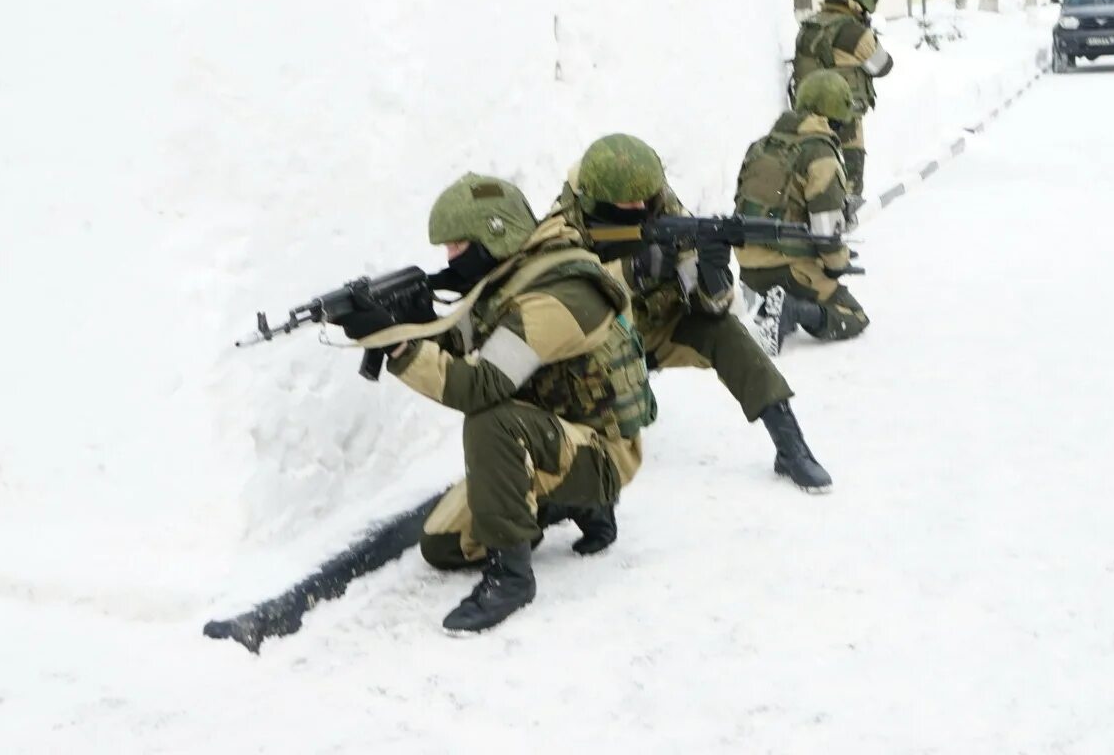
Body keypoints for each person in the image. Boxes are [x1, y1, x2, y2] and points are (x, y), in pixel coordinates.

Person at [335, 172, 652, 634]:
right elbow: (475, 343)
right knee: (442, 545)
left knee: (491, 421)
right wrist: (414, 320)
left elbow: (480, 384)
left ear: (494, 234)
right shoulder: (513, 277)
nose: (449, 258)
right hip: (557, 434)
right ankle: (578, 505)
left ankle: (512, 577)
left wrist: (400, 348)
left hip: (603, 451)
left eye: (458, 246)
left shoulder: (559, 296)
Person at [551, 134, 833, 492]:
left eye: (645, 196)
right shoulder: (563, 223)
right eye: (629, 201)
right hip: (592, 343)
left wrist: (713, 274)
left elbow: (711, 307)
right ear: (600, 196)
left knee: (727, 333)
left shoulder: (666, 211)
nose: (641, 205)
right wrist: (633, 270)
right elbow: (560, 298)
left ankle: (791, 445)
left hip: (652, 330)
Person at [735, 71, 869, 352]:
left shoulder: (761, 145)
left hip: (748, 266)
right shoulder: (820, 153)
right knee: (854, 316)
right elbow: (826, 234)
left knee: (805, 276)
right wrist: (838, 264)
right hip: (788, 268)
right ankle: (791, 309)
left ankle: (776, 302)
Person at [791, 0, 893, 201]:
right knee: (850, 173)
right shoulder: (855, 33)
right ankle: (845, 208)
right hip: (844, 115)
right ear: (858, 5)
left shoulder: (810, 24)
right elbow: (882, 66)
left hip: (806, 111)